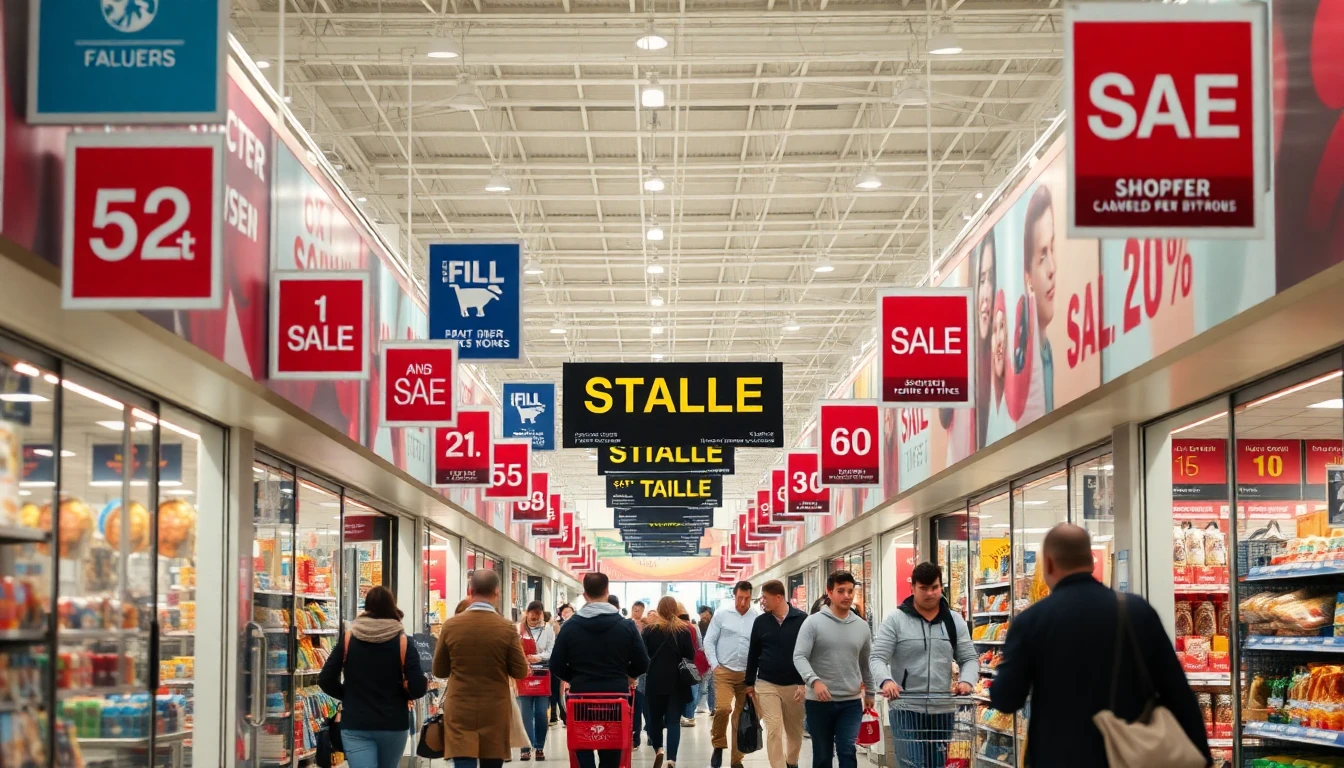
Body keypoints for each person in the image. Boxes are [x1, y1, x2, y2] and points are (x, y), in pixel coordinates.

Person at [989, 524, 1211, 768]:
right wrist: (1202, 754)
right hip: (1127, 755)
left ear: (1049, 565)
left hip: (1057, 756)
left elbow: (1007, 699)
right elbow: (1177, 690)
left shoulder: (1031, 622)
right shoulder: (1136, 612)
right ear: (1091, 561)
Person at [869, 563, 978, 768]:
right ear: (912, 588)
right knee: (912, 764)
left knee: (936, 764)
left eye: (934, 587)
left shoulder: (954, 621)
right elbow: (877, 658)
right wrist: (886, 681)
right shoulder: (895, 620)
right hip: (905, 707)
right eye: (924, 588)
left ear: (941, 587)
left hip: (942, 709)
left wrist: (966, 681)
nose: (930, 593)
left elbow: (969, 658)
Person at [316, 586, 427, 768]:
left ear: (366, 608)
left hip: (356, 723)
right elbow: (418, 687)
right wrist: (405, 692)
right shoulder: (403, 641)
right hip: (393, 723)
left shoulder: (349, 639)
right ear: (393, 608)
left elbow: (325, 679)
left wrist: (347, 695)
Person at [550, 572, 650, 768]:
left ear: (584, 594)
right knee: (612, 749)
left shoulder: (570, 627)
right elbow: (643, 662)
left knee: (582, 743)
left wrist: (576, 677)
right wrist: (626, 676)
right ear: (607, 591)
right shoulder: (626, 626)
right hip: (615, 696)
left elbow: (555, 664)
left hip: (581, 697)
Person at [432, 570, 530, 768]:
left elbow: (439, 671)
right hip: (495, 708)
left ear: (470, 591)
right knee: (491, 760)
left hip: (460, 707)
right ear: (497, 592)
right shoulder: (506, 628)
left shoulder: (451, 626)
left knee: (463, 759)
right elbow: (520, 671)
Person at [792, 572, 874, 768]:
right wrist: (814, 681)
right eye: (841, 591)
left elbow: (865, 663)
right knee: (823, 755)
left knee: (847, 749)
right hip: (819, 702)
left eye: (850, 591)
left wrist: (871, 691)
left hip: (851, 702)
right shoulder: (812, 623)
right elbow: (799, 656)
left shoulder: (862, 626)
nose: (847, 596)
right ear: (829, 592)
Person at [745, 580, 807, 768]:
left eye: (765, 597)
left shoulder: (802, 620)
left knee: (794, 732)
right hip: (767, 683)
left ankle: (791, 762)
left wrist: (805, 682)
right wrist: (749, 682)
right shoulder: (760, 622)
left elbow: (809, 653)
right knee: (773, 729)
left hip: (795, 685)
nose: (762, 601)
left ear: (778, 597)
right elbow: (753, 653)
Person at [705, 581, 761, 768]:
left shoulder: (757, 617)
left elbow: (761, 645)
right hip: (724, 671)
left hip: (747, 675)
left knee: (741, 717)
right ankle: (718, 744)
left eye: (747, 598)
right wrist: (715, 665)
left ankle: (737, 760)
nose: (743, 602)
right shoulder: (722, 614)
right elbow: (709, 640)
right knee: (722, 709)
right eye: (740, 598)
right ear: (734, 596)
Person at [641, 596, 696, 768]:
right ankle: (671, 759)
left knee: (655, 719)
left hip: (655, 680)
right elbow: (690, 655)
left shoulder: (649, 630)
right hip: (676, 682)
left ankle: (659, 749)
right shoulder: (683, 631)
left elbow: (642, 655)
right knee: (673, 721)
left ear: (658, 610)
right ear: (676, 610)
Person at [1020, 184, 1057, 420]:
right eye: (1042, 256)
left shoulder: (1047, 351)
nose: (1053, 268)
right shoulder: (1025, 371)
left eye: (1052, 249)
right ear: (1029, 280)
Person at [518, 600, 556, 761]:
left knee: (541, 713)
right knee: (525, 715)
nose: (534, 617)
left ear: (542, 614)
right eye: (531, 613)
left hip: (542, 674)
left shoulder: (548, 630)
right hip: (523, 675)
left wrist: (538, 657)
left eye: (537, 614)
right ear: (526, 613)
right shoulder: (518, 629)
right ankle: (525, 747)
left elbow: (552, 650)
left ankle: (539, 746)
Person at [677, 603, 702, 726]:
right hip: (692, 662)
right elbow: (699, 645)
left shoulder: (675, 628)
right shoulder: (693, 627)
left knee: (681, 691)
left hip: (678, 663)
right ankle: (690, 716)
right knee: (693, 688)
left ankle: (681, 715)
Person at [549, 603, 574, 725]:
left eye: (568, 611)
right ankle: (562, 715)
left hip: (571, 671)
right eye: (564, 612)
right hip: (566, 668)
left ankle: (563, 716)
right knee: (559, 692)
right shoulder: (561, 626)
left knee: (560, 692)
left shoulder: (571, 626)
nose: (566, 614)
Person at [697, 606, 716, 715]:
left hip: (714, 658)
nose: (703, 616)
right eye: (701, 614)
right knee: (702, 684)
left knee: (711, 685)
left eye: (705, 613)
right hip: (702, 657)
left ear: (710, 613)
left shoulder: (716, 624)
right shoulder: (699, 625)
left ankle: (713, 707)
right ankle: (699, 706)